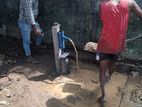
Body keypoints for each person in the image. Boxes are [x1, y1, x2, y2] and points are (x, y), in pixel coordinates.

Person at [96, 0, 142, 103]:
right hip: (117, 45)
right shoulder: (131, 3)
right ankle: (109, 76)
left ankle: (103, 96)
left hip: (105, 43)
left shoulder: (102, 4)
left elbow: (103, 20)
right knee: (112, 65)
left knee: (102, 69)